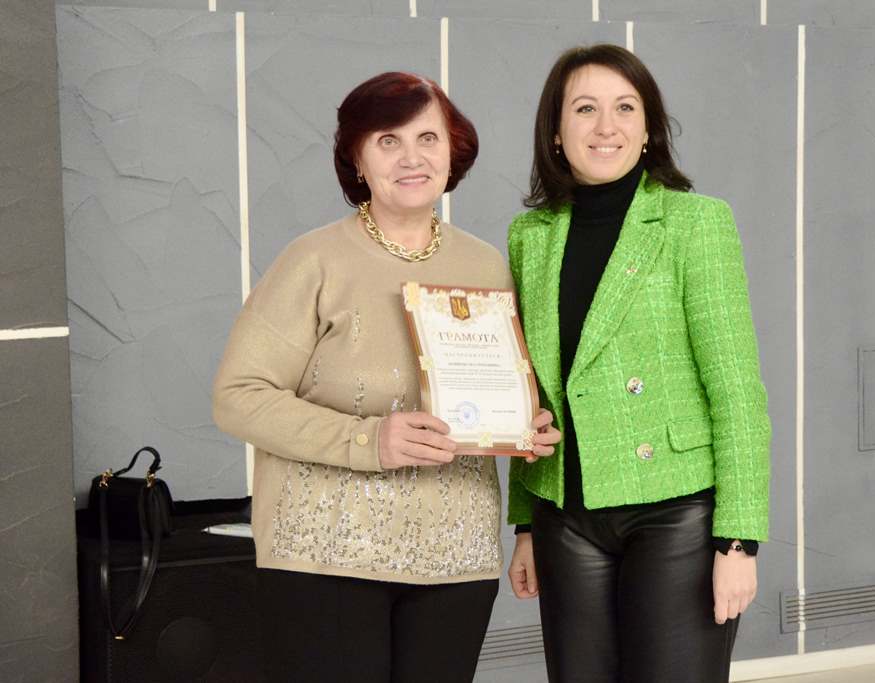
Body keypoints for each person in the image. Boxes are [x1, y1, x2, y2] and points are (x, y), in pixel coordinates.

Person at [212, 71, 559, 683]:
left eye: (427, 138)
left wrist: (523, 426)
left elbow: (498, 393)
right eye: (387, 140)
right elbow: (238, 398)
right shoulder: (313, 260)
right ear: (358, 159)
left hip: (457, 557)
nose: (411, 158)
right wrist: (368, 439)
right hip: (325, 555)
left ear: (452, 151)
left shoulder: (487, 266)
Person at [504, 45, 772, 682]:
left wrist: (738, 541)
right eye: (585, 109)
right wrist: (524, 525)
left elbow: (736, 388)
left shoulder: (695, 222)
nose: (607, 126)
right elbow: (529, 388)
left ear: (649, 127)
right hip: (564, 514)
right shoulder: (530, 236)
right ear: (555, 131)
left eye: (625, 108)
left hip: (676, 514)